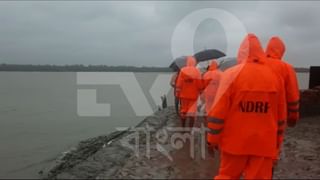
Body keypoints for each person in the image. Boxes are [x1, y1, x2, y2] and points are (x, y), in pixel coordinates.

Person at [207, 34, 286, 179]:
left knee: (227, 176)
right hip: (264, 144)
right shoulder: (275, 77)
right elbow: (281, 118)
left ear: (241, 52)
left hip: (234, 144)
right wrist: (276, 147)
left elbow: (218, 113)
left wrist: (212, 140)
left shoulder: (230, 75)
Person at [265, 36, 300, 168]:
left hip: (256, 114)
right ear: (281, 51)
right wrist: (293, 118)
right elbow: (293, 96)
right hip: (277, 115)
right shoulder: (287, 68)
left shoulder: (257, 64)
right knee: (272, 150)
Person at [176, 56, 202, 128]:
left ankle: (183, 127)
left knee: (183, 111)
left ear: (187, 62)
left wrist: (177, 94)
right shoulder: (197, 71)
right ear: (194, 63)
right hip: (193, 96)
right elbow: (199, 84)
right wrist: (200, 91)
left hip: (183, 96)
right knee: (192, 113)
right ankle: (190, 129)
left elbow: (179, 83)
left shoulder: (182, 70)